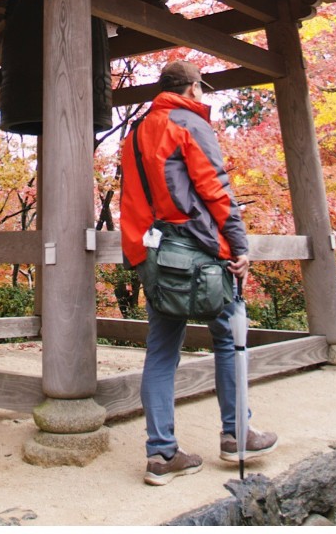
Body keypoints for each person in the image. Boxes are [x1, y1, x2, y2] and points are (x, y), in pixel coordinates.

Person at [120, 60, 274, 485]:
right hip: (199, 250)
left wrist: (137, 256)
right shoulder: (189, 123)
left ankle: (160, 454)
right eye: (201, 88)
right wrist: (239, 246)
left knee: (162, 348)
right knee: (227, 335)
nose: (203, 95)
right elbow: (214, 186)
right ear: (190, 88)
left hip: (154, 253)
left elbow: (131, 199)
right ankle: (236, 433)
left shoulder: (133, 135)